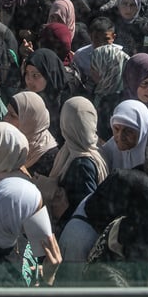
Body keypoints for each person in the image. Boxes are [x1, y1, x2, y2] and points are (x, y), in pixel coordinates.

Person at [44, 96, 109, 224]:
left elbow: (86, 209)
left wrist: (63, 214)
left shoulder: (81, 164)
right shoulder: (96, 147)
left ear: (65, 123)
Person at [5, 91, 59, 178]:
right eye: (7, 113)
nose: (5, 118)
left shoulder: (50, 158)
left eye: (12, 115)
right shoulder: (9, 141)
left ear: (29, 121)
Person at [100, 99, 148, 171]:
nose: (120, 137)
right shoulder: (110, 149)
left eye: (128, 131)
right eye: (116, 129)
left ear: (143, 131)